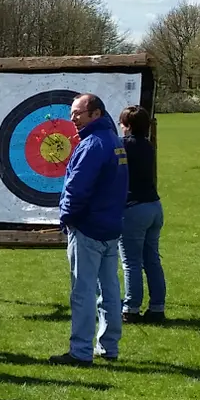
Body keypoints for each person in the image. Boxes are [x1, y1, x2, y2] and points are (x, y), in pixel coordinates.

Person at [51, 93, 129, 365]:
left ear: (96, 114)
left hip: (88, 228)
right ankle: (109, 347)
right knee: (109, 290)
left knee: (83, 292)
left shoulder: (92, 144)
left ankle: (81, 351)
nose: (73, 118)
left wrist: (67, 217)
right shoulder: (113, 141)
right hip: (110, 227)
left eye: (79, 113)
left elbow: (76, 189)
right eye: (72, 113)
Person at [119, 105, 165, 323]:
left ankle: (131, 308)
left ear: (127, 127)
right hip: (154, 207)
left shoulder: (123, 146)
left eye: (122, 124)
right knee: (152, 260)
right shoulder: (148, 145)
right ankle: (157, 308)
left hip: (134, 210)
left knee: (131, 262)